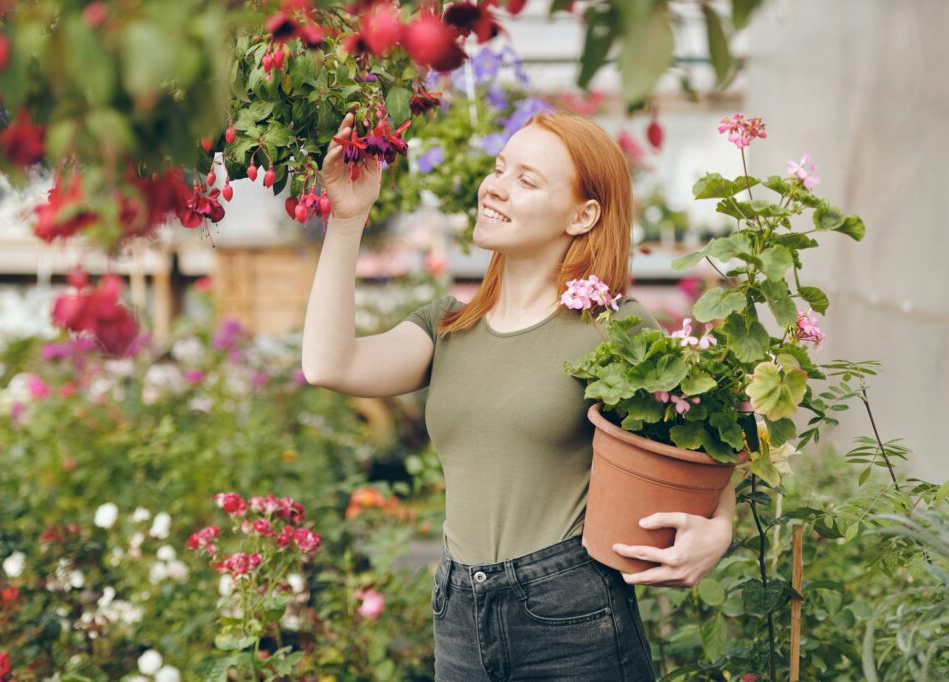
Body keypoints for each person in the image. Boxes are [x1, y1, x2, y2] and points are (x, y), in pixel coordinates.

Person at [303, 109, 735, 681]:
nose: (495, 187)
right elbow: (328, 363)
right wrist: (348, 217)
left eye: (527, 180)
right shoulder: (446, 327)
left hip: (571, 613)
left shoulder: (615, 329)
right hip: (458, 611)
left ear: (582, 216)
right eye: (499, 168)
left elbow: (701, 439)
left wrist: (719, 528)